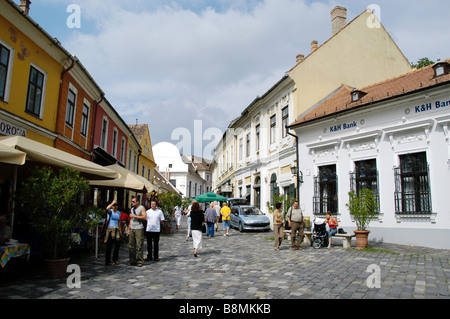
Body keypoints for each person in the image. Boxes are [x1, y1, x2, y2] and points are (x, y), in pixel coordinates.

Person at [128, 196, 147, 267]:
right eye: (131, 201)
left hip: (139, 228)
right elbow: (131, 219)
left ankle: (140, 260)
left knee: (139, 245)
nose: (132, 203)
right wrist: (128, 229)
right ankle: (132, 260)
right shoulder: (132, 209)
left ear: (137, 202)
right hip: (132, 227)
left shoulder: (142, 208)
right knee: (131, 245)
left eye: (133, 201)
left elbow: (144, 217)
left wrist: (135, 216)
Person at [104, 200, 122, 266]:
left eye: (116, 205)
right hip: (110, 229)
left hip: (116, 229)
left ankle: (115, 258)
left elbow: (119, 221)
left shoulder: (118, 212)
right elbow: (107, 208)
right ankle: (108, 260)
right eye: (114, 205)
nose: (115, 207)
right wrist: (112, 203)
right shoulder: (110, 211)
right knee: (109, 246)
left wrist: (120, 230)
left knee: (117, 245)